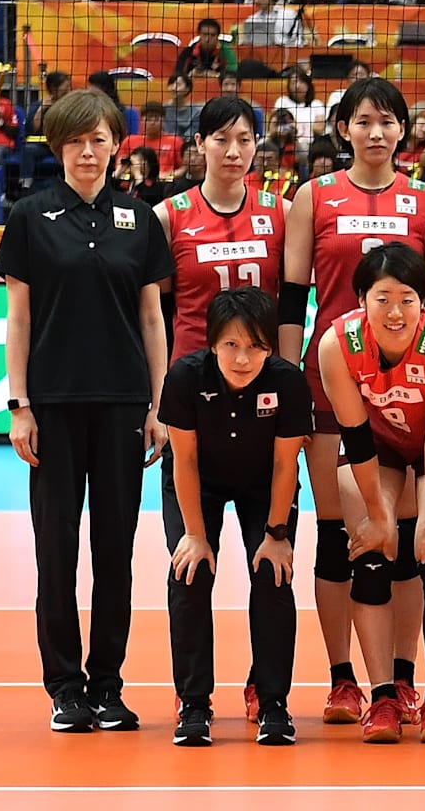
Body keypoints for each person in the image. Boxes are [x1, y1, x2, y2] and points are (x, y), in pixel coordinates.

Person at [0, 89, 173, 734]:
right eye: (76, 141)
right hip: (54, 405)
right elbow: (18, 318)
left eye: (99, 139)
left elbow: (152, 319)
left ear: (116, 145)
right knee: (56, 552)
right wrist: (19, 405)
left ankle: (107, 686)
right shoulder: (30, 216)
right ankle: (65, 689)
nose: (88, 152)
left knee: (115, 553)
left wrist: (159, 405)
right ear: (58, 147)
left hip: (123, 404)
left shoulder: (139, 219)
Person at [281, 78, 425, 727]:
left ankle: (400, 678)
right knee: (339, 537)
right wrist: (287, 381)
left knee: (404, 538)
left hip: (408, 389)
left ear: (403, 130)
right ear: (342, 130)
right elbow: (292, 297)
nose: (375, 132)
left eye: (387, 121)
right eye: (363, 121)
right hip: (332, 381)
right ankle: (342, 679)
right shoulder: (314, 196)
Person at [315, 242, 425, 743]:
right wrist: (377, 514)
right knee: (370, 551)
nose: (395, 312)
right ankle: (383, 696)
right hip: (379, 445)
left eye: (407, 299)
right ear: (361, 299)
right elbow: (355, 436)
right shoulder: (336, 344)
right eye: (382, 298)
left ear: (423, 302)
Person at [160, 288, 309, 748]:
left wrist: (277, 534)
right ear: (211, 343)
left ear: (270, 347)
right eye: (231, 345)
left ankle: (272, 702)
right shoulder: (185, 377)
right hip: (198, 480)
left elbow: (285, 465)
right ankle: (193, 703)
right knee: (189, 573)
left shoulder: (287, 382)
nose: (243, 358)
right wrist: (194, 534)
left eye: (256, 346)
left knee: (273, 574)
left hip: (264, 483)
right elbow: (184, 460)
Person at [155, 96, 290, 364]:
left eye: (244, 140)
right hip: (193, 367)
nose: (233, 152)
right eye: (221, 139)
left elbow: (291, 302)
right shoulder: (166, 216)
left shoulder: (283, 212)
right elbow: (158, 310)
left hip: (261, 367)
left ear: (256, 143)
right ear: (200, 143)